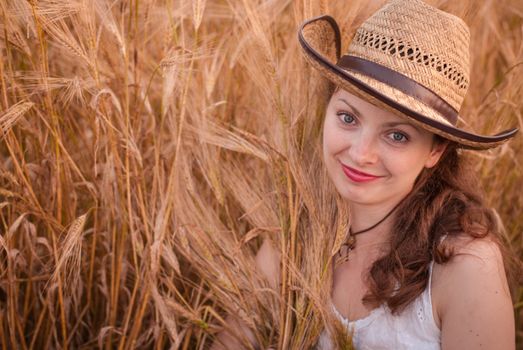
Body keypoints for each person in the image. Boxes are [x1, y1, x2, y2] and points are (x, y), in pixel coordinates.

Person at [212, 0, 519, 349]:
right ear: (327, 109)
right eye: (348, 117)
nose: (360, 154)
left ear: (436, 150)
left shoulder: (465, 268)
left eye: (397, 135)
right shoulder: (296, 229)